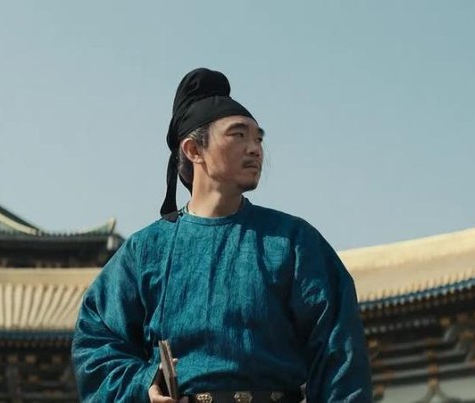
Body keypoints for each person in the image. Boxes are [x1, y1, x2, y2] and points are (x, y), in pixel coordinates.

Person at [72, 68, 372, 403]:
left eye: (258, 138)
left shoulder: (293, 242)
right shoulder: (145, 251)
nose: (255, 149)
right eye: (238, 135)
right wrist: (144, 383)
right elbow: (96, 342)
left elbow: (340, 354)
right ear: (193, 150)